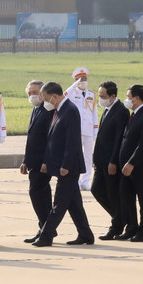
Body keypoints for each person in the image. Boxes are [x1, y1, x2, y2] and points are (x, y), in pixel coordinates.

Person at [32, 82, 94, 247]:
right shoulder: (59, 110)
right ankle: (86, 234)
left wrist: (65, 165)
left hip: (69, 166)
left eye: (46, 98)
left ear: (55, 96)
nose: (45, 102)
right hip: (61, 165)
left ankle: (46, 236)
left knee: (59, 204)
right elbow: (54, 140)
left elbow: (72, 142)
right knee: (74, 203)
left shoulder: (70, 111)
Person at [91, 81, 128, 240]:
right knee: (96, 190)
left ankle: (117, 225)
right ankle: (120, 217)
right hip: (101, 162)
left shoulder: (121, 111)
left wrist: (114, 162)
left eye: (103, 96)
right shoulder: (107, 109)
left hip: (111, 163)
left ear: (113, 96)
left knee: (113, 194)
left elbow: (119, 139)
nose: (101, 99)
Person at [20, 80, 54, 243]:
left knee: (36, 193)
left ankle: (46, 228)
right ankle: (46, 228)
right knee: (42, 195)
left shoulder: (47, 111)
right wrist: (26, 160)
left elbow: (50, 140)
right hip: (33, 161)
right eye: (30, 93)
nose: (33, 95)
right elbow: (31, 139)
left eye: (36, 92)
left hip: (42, 162)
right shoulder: (36, 110)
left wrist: (46, 161)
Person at [117, 84, 143, 242]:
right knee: (126, 198)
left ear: (137, 98)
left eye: (129, 97)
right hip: (126, 167)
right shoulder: (134, 115)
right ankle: (131, 228)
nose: (127, 99)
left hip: (140, 167)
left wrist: (132, 163)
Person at [65, 67, 98, 191]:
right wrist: (74, 85)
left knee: (88, 157)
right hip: (75, 129)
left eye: (85, 79)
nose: (83, 81)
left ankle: (85, 181)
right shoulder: (72, 93)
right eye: (80, 79)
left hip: (88, 129)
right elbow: (64, 95)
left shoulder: (91, 94)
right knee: (75, 155)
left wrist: (95, 130)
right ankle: (76, 180)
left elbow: (94, 113)